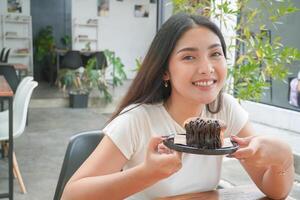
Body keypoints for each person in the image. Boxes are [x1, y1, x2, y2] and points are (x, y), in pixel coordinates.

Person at [61, 13, 294, 200]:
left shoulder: (224, 108)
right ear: (165, 71)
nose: (207, 68)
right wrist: (145, 174)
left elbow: (276, 191)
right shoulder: (137, 119)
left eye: (215, 54)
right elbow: (72, 195)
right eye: (189, 57)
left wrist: (282, 160)